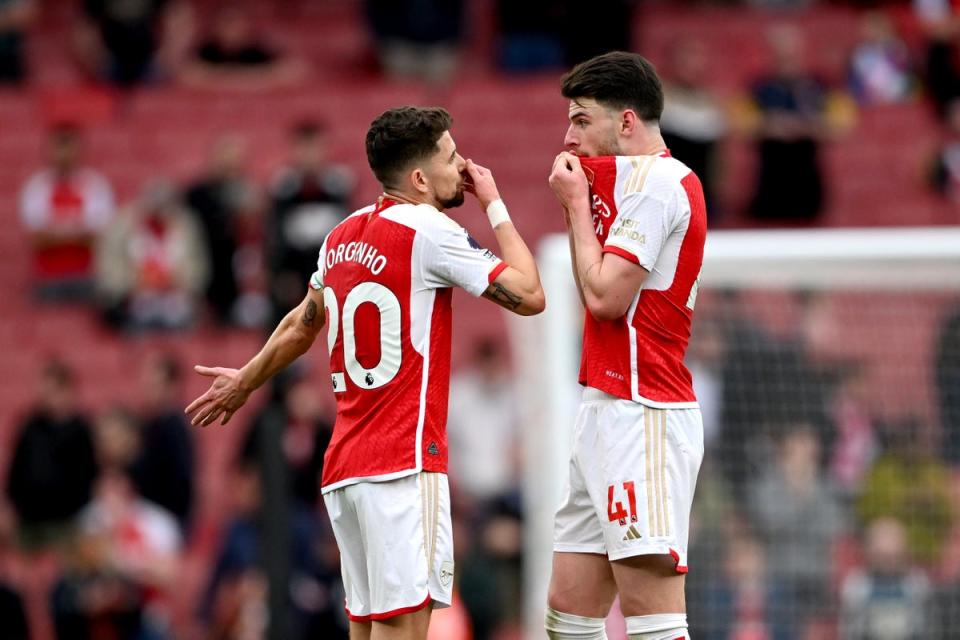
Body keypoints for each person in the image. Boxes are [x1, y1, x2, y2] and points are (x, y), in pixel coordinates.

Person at [185, 106, 545, 640]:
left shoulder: (340, 237)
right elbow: (529, 295)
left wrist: (246, 379)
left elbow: (301, 325)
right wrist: (493, 203)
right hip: (403, 466)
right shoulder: (429, 229)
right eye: (450, 157)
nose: (463, 166)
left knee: (367, 630)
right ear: (419, 178)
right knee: (405, 631)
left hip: (347, 472)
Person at [545, 51, 707, 640]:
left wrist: (574, 210)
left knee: (652, 617)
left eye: (581, 119)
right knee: (569, 610)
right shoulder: (625, 183)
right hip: (603, 408)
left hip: (645, 414)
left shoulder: (663, 185)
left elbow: (606, 299)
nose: (569, 135)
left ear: (627, 122)